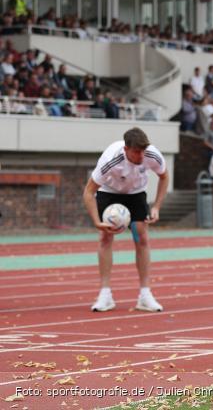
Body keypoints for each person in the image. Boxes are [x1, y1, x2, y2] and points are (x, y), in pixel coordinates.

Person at [82, 128, 167, 312]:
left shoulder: (151, 155)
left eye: (143, 151)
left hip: (136, 193)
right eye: (137, 152)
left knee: (141, 237)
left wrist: (157, 206)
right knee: (105, 238)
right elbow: (88, 192)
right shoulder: (111, 160)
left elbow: (164, 176)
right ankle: (105, 295)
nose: (141, 155)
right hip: (109, 192)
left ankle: (145, 295)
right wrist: (97, 221)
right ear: (126, 149)